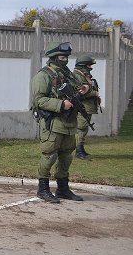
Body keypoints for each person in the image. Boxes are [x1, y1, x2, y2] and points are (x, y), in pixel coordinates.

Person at [30, 41, 89, 203]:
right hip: (53, 123)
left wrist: (83, 90)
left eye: (67, 57)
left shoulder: (69, 74)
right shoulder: (43, 76)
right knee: (49, 156)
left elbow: (77, 89)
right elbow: (39, 100)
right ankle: (43, 189)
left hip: (69, 123)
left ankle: (62, 189)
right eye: (62, 57)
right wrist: (61, 104)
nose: (65, 60)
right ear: (54, 57)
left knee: (67, 157)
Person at [72, 55, 101, 160]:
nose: (91, 67)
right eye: (89, 65)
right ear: (83, 65)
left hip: (87, 107)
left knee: (84, 129)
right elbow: (80, 93)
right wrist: (94, 93)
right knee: (81, 128)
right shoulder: (78, 76)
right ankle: (78, 151)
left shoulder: (84, 75)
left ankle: (81, 148)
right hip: (82, 107)